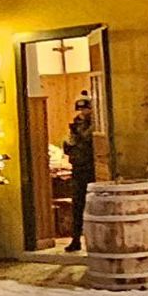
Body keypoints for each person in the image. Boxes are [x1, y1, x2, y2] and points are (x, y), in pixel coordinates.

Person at [63, 94, 97, 253]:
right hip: (78, 167)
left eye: (85, 109)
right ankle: (76, 239)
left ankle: (94, 240)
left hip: (91, 168)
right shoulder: (76, 124)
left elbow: (89, 139)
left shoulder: (95, 124)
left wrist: (79, 135)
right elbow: (68, 144)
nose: (83, 113)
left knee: (95, 205)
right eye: (81, 110)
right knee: (77, 205)